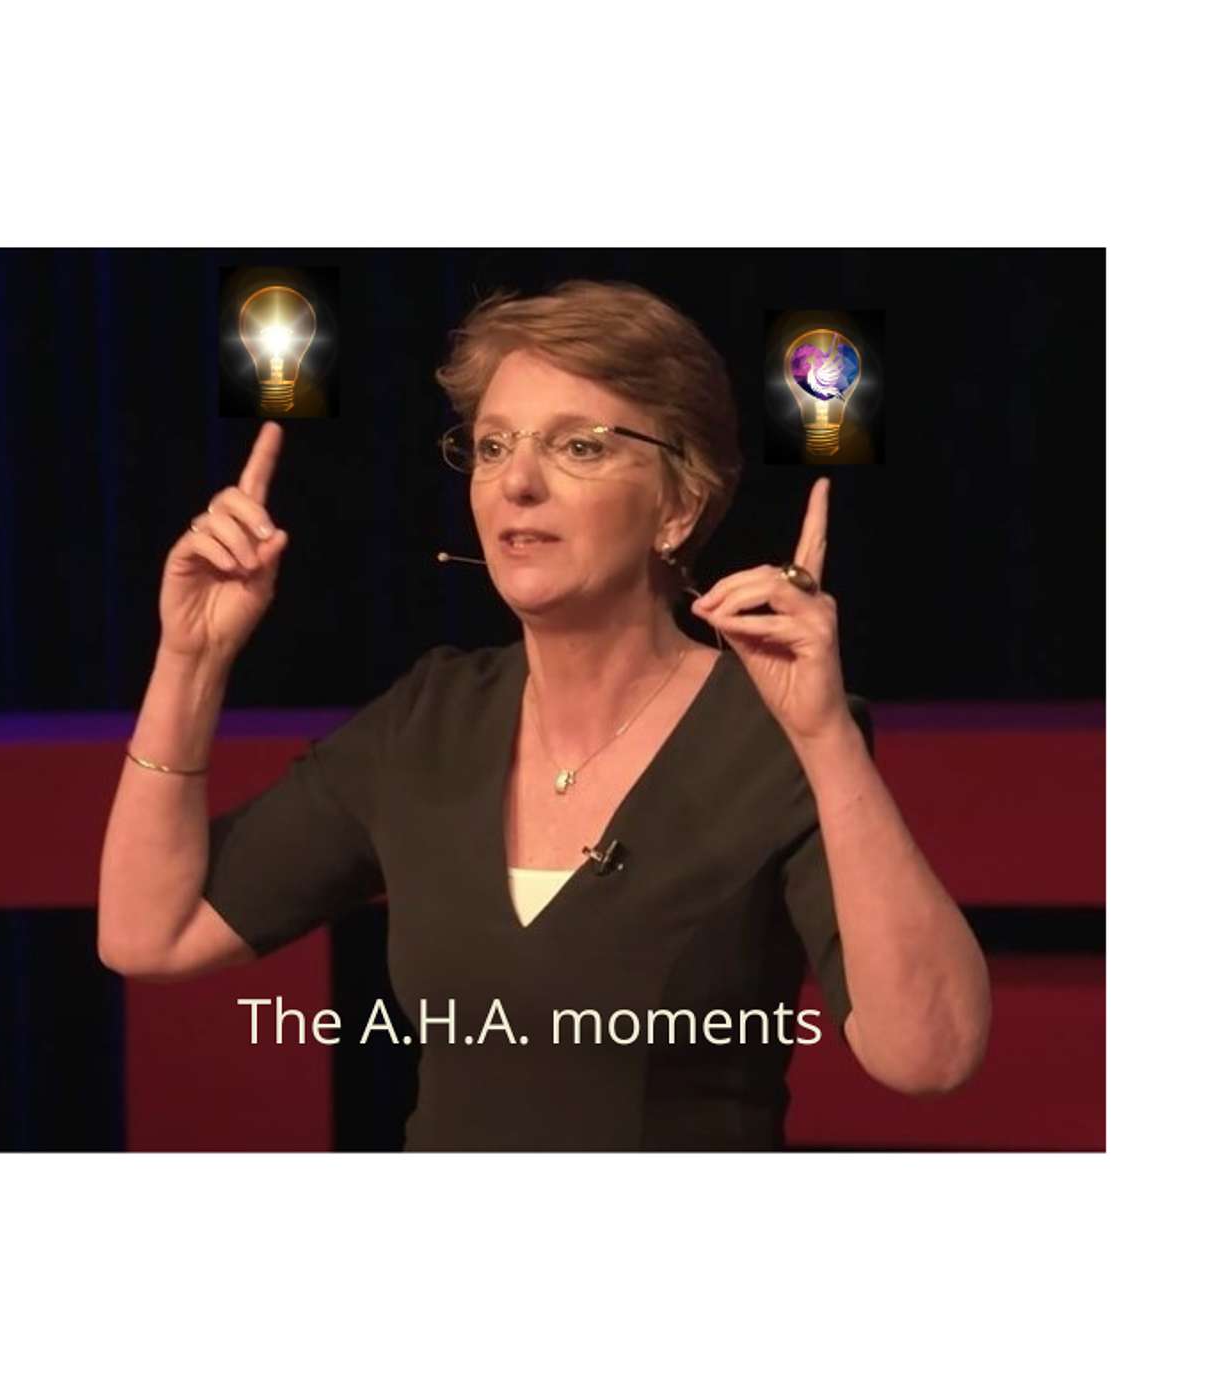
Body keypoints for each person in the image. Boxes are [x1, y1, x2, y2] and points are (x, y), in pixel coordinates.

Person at [97, 279, 990, 1150]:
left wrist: (825, 741)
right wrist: (191, 658)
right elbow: (149, 932)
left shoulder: (774, 732)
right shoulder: (429, 721)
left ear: (678, 505)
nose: (517, 481)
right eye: (492, 447)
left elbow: (932, 1055)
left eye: (579, 447)